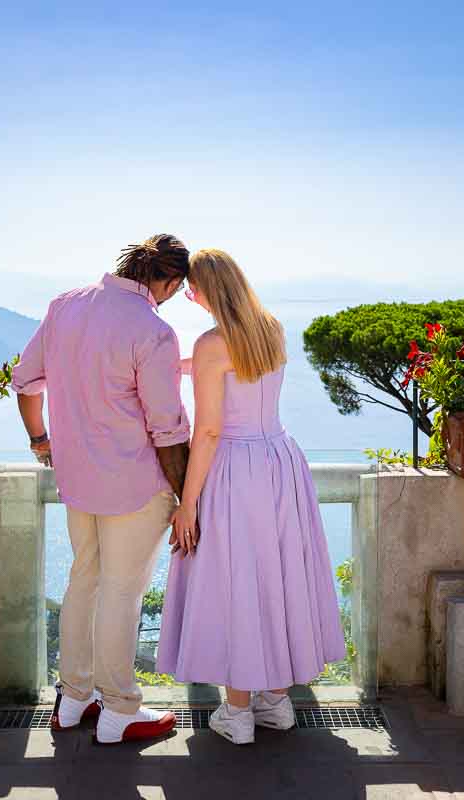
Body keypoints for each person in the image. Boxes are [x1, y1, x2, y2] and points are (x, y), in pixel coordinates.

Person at [156, 248, 347, 745]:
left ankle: (237, 715)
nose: (188, 294)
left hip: (235, 470)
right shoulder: (271, 329)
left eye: (191, 288)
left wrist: (188, 502)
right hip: (280, 462)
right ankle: (275, 704)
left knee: (235, 580)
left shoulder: (210, 344)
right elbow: (229, 367)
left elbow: (211, 431)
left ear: (206, 290)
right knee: (280, 575)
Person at [12, 234, 192, 744]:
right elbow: (168, 429)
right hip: (135, 485)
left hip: (77, 479)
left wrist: (40, 440)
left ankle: (73, 700)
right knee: (121, 592)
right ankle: (119, 710)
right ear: (170, 281)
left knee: (83, 582)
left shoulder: (65, 305)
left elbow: (25, 382)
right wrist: (186, 497)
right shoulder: (153, 330)